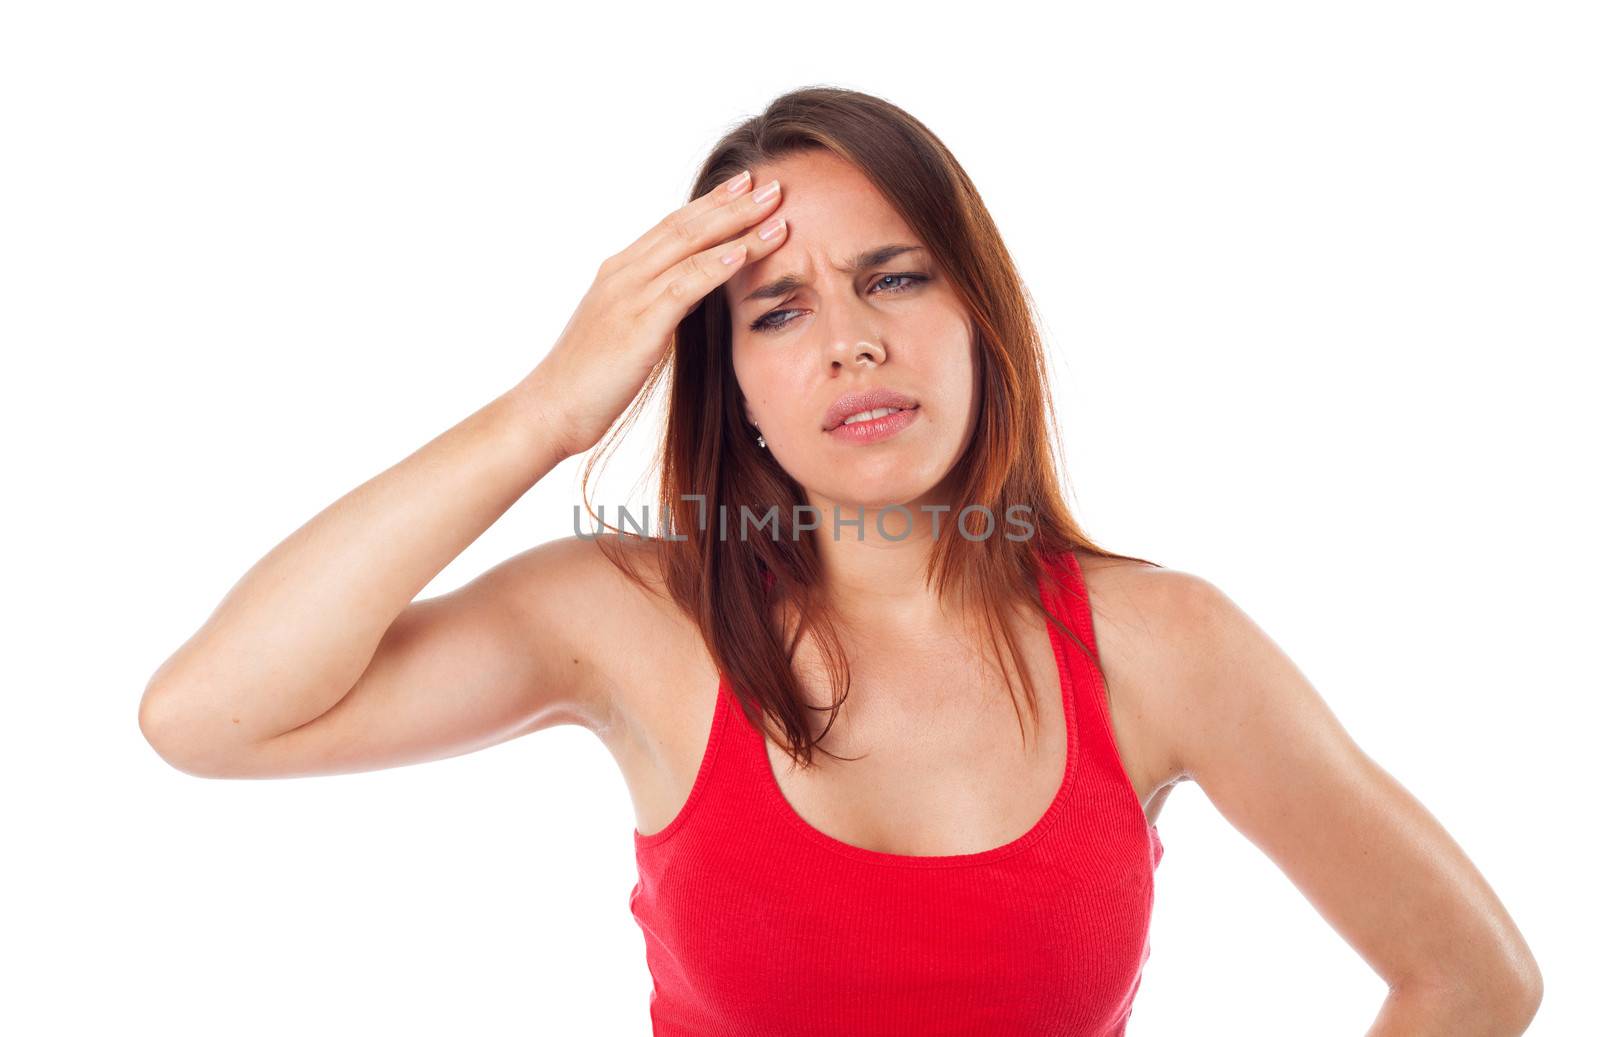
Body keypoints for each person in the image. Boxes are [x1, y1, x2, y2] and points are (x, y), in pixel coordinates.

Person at [137, 86, 1542, 1035]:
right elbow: (209, 716)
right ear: (727, 379)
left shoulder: (1165, 642)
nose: (852, 341)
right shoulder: (631, 615)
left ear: (980, 315)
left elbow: (1472, 978)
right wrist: (546, 413)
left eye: (897, 276)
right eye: (778, 308)